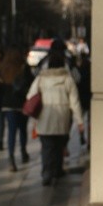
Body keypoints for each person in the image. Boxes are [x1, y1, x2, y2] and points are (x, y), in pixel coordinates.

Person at [27, 39, 84, 185]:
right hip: (62, 117)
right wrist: (79, 121)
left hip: (45, 116)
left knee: (47, 147)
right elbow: (75, 101)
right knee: (59, 146)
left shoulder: (41, 77)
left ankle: (47, 173)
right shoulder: (68, 77)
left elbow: (30, 95)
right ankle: (57, 170)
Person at [0, 45, 34, 172]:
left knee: (11, 132)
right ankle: (23, 152)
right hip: (21, 104)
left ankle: (11, 158)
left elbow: (0, 88)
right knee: (22, 129)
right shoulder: (24, 68)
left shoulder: (3, 69)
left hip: (8, 104)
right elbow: (31, 84)